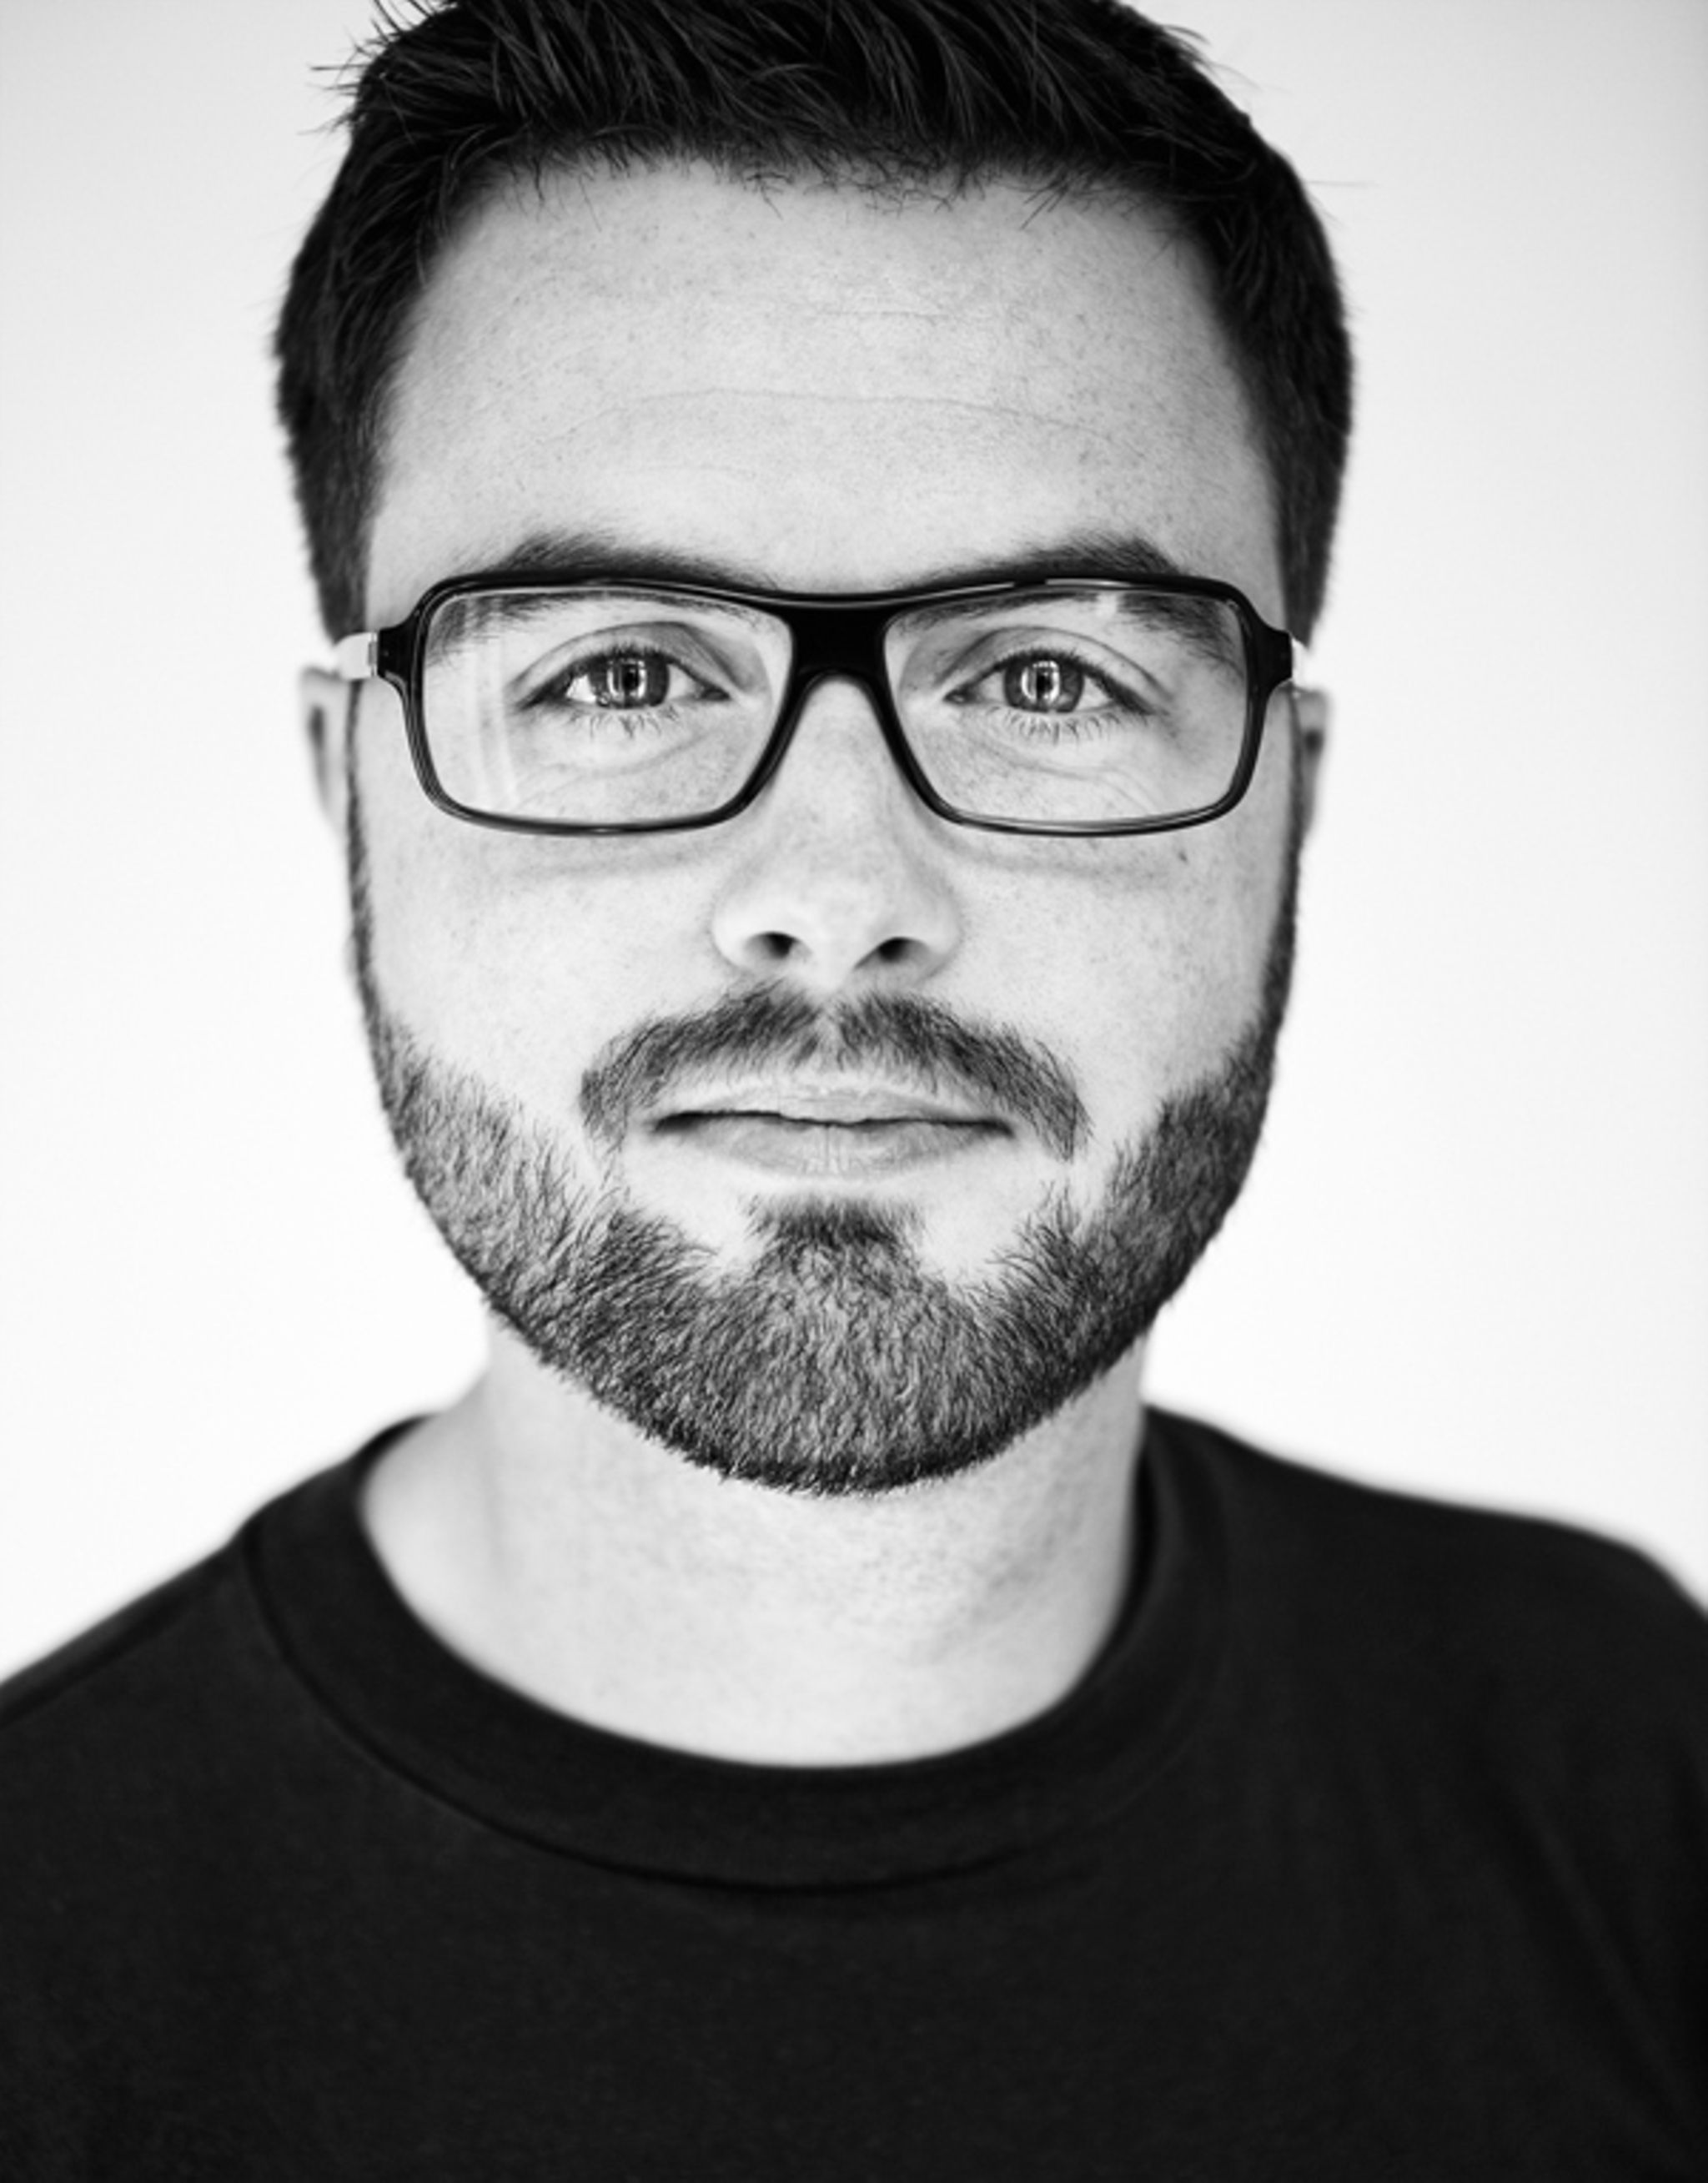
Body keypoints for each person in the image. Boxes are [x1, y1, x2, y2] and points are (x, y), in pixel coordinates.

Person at [2, 0, 1703, 2172]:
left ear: (1289, 805)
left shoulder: (1627, 1755)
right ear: (355, 794)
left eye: (1048, 675)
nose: (833, 897)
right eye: (620, 669)